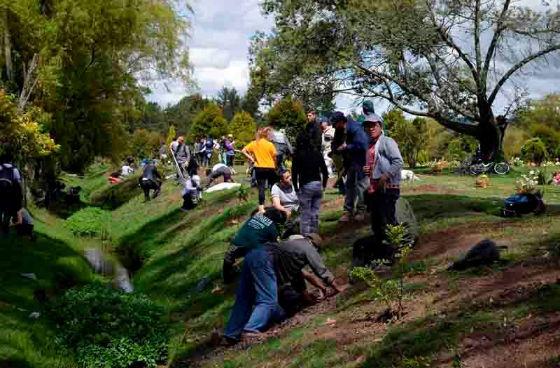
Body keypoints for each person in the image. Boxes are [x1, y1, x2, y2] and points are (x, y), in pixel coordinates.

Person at [222, 208, 287, 342]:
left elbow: (236, 243)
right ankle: (251, 328)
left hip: (247, 258)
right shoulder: (271, 226)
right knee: (268, 298)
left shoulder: (253, 220)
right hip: (260, 256)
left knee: (245, 297)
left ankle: (232, 332)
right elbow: (276, 248)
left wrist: (227, 273)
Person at [269, 234, 346, 316]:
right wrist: (337, 287)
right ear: (314, 245)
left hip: (263, 263)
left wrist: (309, 297)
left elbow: (301, 276)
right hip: (267, 271)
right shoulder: (307, 246)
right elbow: (320, 269)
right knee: (279, 299)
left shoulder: (289, 251)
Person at [362, 113, 403, 247]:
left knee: (389, 220)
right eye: (367, 126)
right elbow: (375, 164)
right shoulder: (370, 145)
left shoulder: (387, 141)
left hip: (388, 188)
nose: (370, 128)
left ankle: (397, 248)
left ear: (380, 126)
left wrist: (385, 176)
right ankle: (383, 250)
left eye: (374, 125)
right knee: (377, 222)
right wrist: (368, 170)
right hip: (375, 189)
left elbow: (398, 162)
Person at [332, 111, 369, 222]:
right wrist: (335, 149)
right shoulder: (338, 131)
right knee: (349, 186)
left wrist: (347, 147)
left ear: (341, 121)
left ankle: (361, 211)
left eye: (335, 123)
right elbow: (335, 143)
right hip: (350, 162)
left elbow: (363, 145)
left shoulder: (355, 128)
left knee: (361, 186)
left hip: (361, 161)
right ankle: (348, 212)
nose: (333, 126)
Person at [292, 139, 328, 236]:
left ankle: (305, 236)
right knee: (315, 212)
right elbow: (325, 171)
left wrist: (295, 187)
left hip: (306, 185)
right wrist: (324, 185)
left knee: (305, 213)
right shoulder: (317, 153)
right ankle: (314, 235)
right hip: (317, 184)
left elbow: (294, 173)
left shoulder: (297, 155)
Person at [242, 127, 277, 213]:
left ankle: (261, 208)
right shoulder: (270, 144)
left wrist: (251, 158)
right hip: (270, 167)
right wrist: (275, 165)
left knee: (261, 188)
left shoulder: (254, 143)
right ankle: (275, 204)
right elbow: (275, 156)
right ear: (266, 135)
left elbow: (243, 150)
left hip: (259, 168)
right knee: (273, 186)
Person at [271, 170, 299, 238]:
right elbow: (276, 205)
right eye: (287, 177)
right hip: (284, 210)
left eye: (290, 175)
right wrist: (286, 210)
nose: (290, 178)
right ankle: (282, 233)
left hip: (298, 209)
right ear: (281, 181)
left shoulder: (296, 184)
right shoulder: (276, 187)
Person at [0, 156, 23, 234]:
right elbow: (18, 183)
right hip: (10, 194)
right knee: (7, 211)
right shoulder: (15, 169)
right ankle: (5, 228)